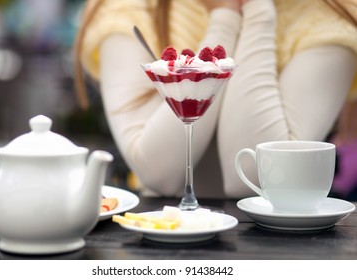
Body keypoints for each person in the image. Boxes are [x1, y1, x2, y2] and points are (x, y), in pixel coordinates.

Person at [74, 0, 357, 199]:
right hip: (167, 241)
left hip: (278, 247)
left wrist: (257, 14)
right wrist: (224, 18)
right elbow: (158, 173)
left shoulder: (333, 14)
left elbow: (255, 177)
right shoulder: (127, 8)